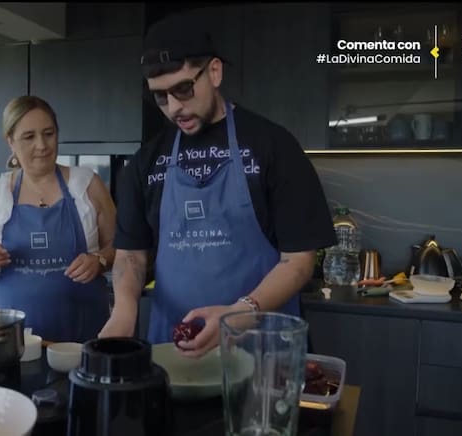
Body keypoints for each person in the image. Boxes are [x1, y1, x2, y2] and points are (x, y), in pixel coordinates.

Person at [98, 16, 338, 358]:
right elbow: (131, 255)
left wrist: (241, 312)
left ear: (213, 72)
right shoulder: (146, 162)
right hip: (174, 350)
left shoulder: (273, 146)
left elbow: (299, 261)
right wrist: (123, 311)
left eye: (183, 89)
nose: (174, 107)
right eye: (160, 97)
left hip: (262, 353)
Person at [0, 95, 117, 343]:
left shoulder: (87, 184)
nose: (42, 145)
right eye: (29, 137)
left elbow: (121, 247)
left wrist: (99, 260)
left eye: (49, 133)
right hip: (15, 340)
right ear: (10, 141)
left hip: (85, 336)